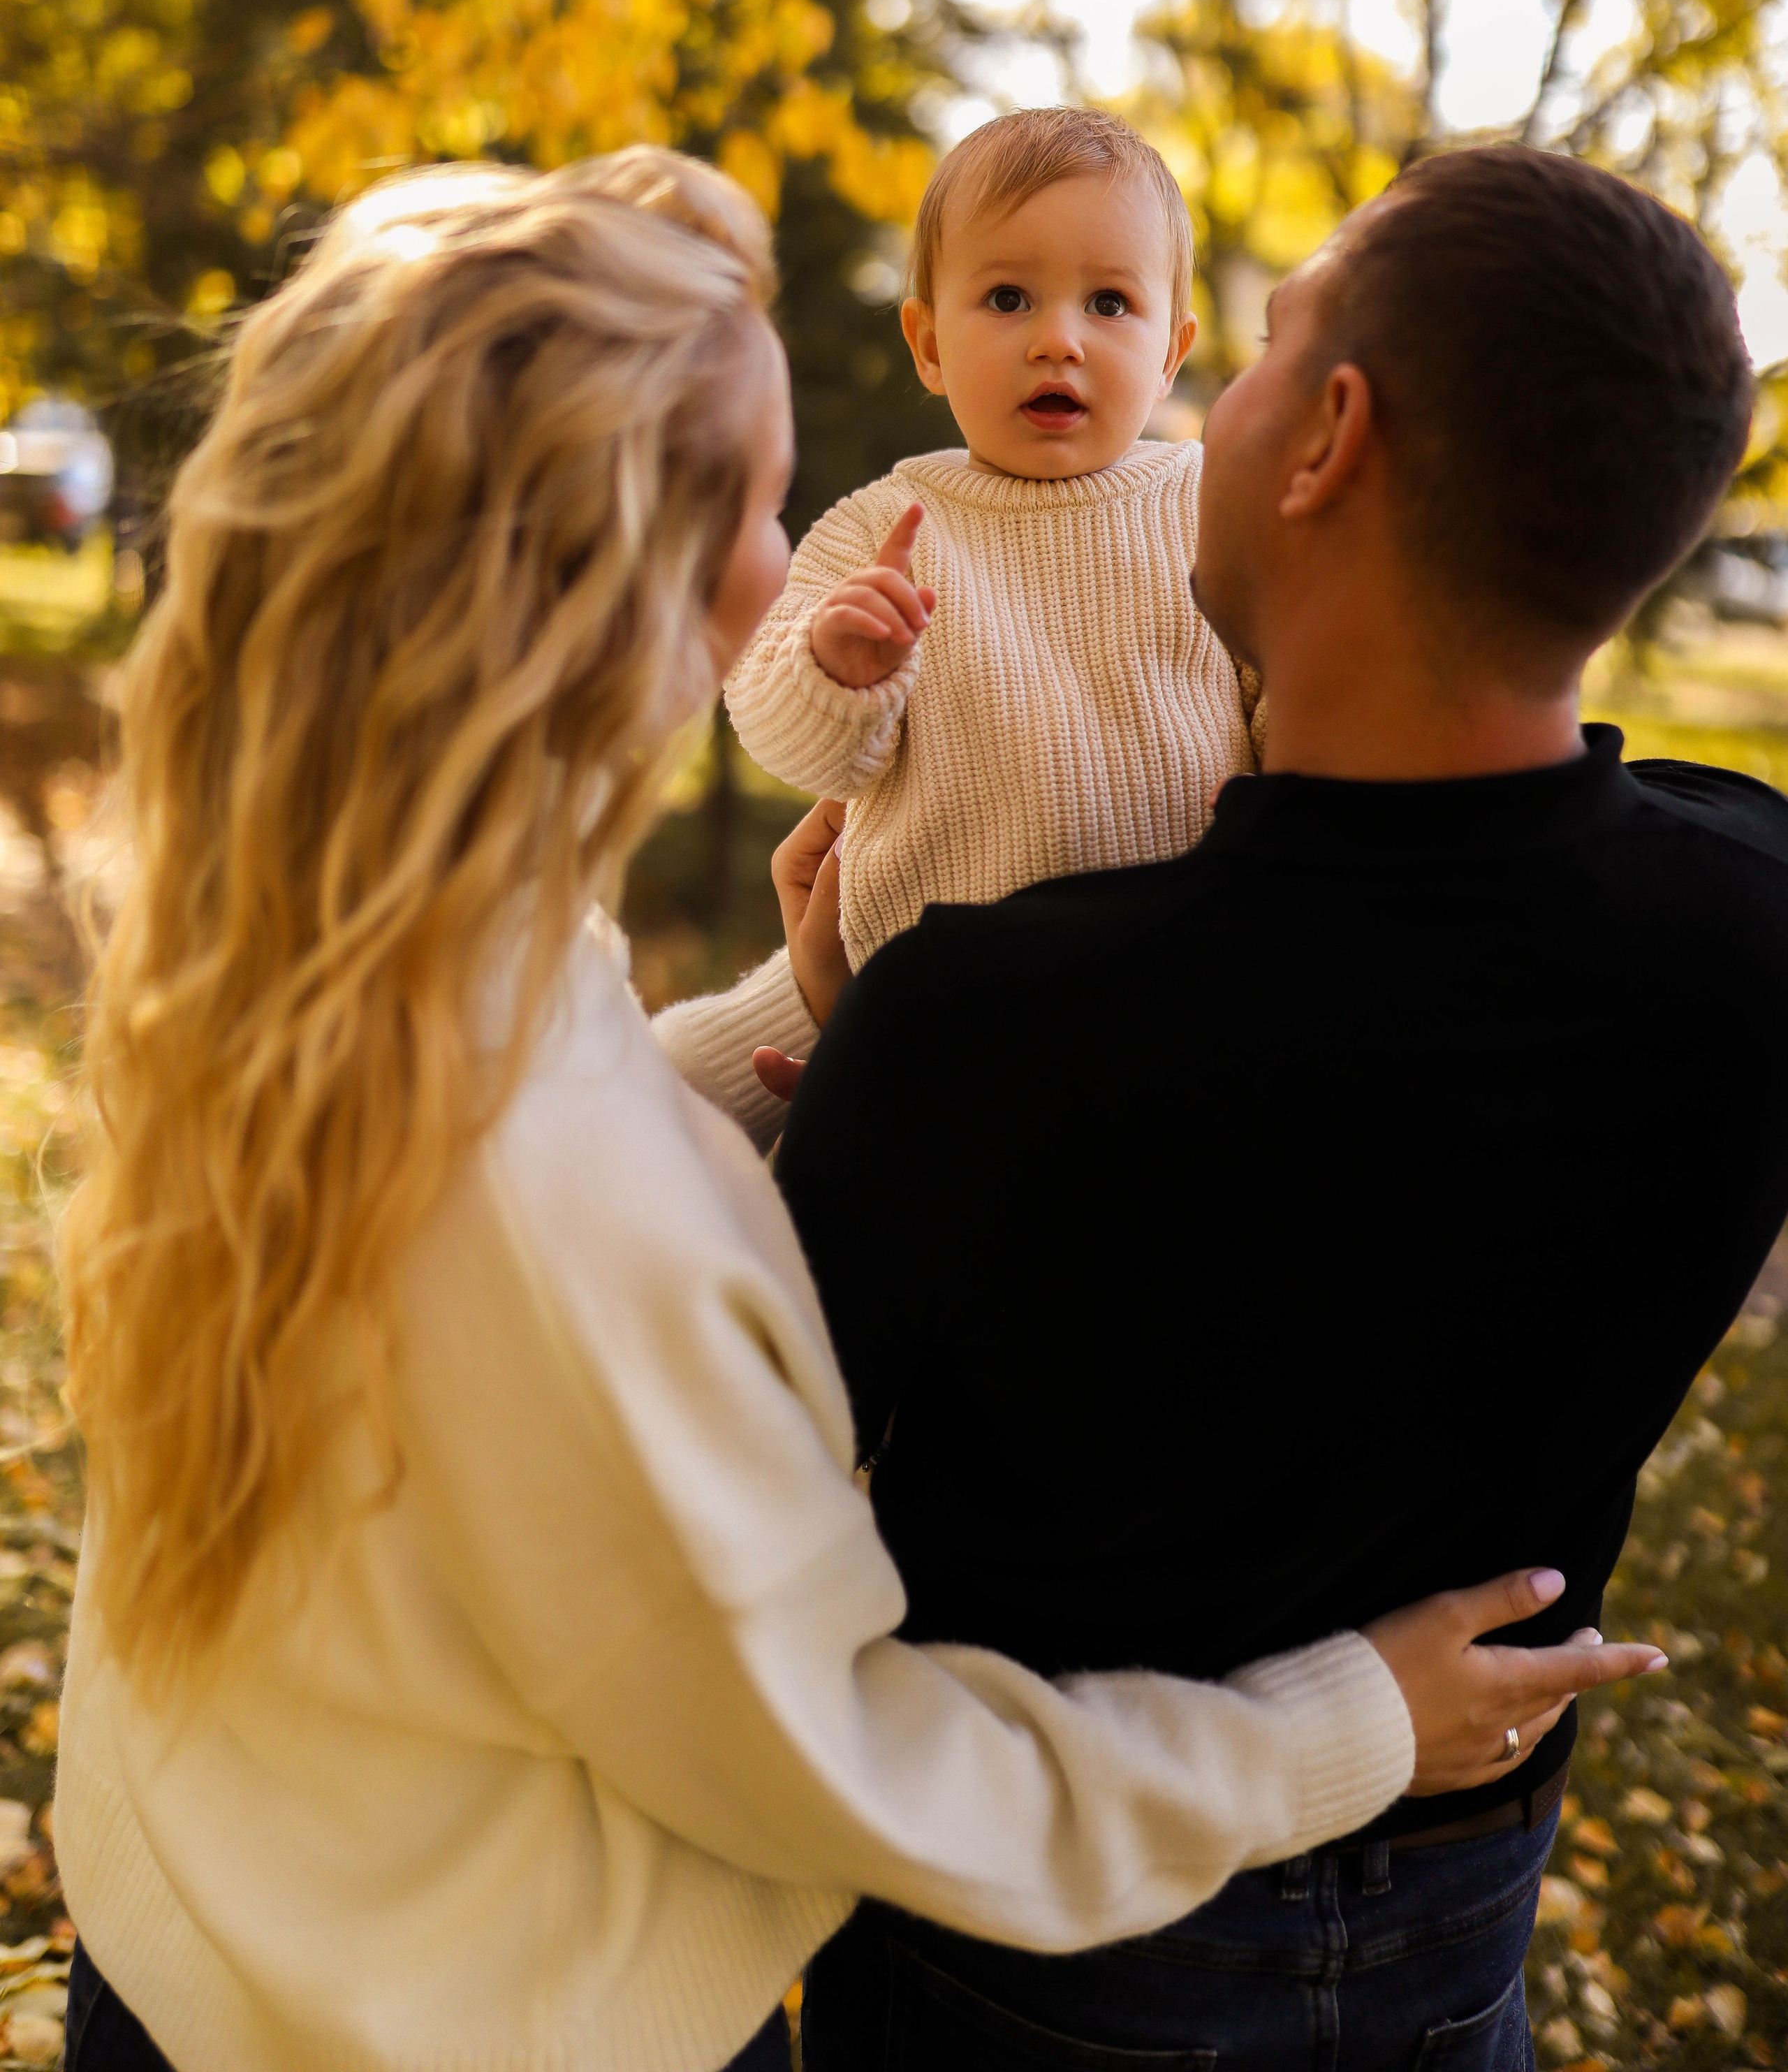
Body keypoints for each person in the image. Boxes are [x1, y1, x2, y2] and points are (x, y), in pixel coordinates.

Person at [50, 158, 1646, 2072]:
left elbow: (490, 1161)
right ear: (622, 568)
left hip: (191, 1930)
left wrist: (790, 1009)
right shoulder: (593, 1238)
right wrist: (1351, 1726)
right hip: (453, 2026)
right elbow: (856, 1765)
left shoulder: (314, 946)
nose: (775, 565)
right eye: (753, 506)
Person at [763, 145, 1787, 2070]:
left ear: (1326, 440)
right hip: (1468, 1919)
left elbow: (758, 1563)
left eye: (1259, 353)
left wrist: (846, 1023)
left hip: (1039, 1948)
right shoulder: (1751, 923)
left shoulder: (984, 1021)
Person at [724, 107, 1264, 975]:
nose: (1058, 340)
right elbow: (784, 736)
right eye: (1008, 298)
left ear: (1172, 351)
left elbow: (1299, 699)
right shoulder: (883, 531)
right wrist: (835, 671)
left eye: (1110, 303)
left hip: (1193, 982)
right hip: (943, 1007)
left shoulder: (1214, 504)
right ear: (929, 345)